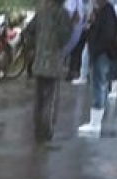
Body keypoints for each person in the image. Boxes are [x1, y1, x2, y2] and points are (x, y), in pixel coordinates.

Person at [33, 0, 75, 141]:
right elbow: (64, 37)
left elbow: (30, 31)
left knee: (39, 98)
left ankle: (38, 129)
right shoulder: (62, 13)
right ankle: (46, 130)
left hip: (39, 61)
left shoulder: (41, 10)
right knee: (50, 99)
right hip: (53, 62)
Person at [78, 0, 117, 136]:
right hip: (99, 52)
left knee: (99, 84)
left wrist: (96, 49)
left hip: (101, 53)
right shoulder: (100, 12)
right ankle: (95, 120)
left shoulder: (107, 12)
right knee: (99, 83)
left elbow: (107, 35)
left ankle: (95, 123)